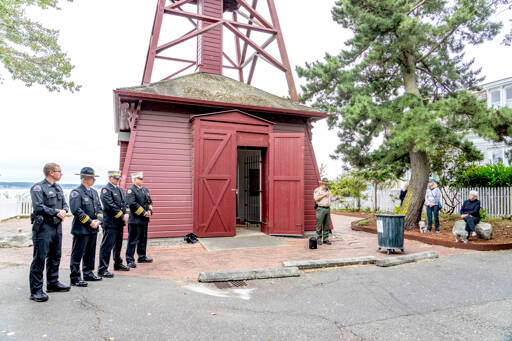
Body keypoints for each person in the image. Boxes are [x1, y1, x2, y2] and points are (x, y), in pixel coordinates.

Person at [28, 163, 70, 302]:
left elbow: (65, 204)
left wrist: (64, 210)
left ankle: (53, 283)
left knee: (55, 256)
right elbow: (39, 207)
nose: (61, 173)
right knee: (39, 258)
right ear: (51, 172)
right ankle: (36, 291)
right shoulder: (38, 188)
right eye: (59, 171)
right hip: (44, 227)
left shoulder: (58, 187)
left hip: (56, 227)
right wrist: (56, 212)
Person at [69, 167, 104, 287]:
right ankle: (75, 277)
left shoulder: (94, 192)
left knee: (90, 252)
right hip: (82, 228)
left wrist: (99, 220)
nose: (94, 180)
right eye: (92, 178)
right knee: (77, 254)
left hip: (93, 228)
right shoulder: (76, 192)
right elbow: (76, 210)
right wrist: (90, 222)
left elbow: (99, 208)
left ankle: (88, 273)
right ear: (85, 178)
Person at [98, 171, 130, 278]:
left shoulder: (119, 190)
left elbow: (125, 203)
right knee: (107, 246)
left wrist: (127, 213)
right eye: (115, 178)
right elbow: (109, 206)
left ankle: (118, 263)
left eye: (118, 178)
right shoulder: (106, 190)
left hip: (119, 223)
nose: (117, 180)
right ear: (110, 178)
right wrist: (122, 215)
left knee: (118, 245)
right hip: (110, 223)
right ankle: (102, 268)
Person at [125, 172, 154, 267]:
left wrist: (149, 210)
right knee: (132, 240)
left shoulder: (145, 190)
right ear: (134, 180)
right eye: (139, 178)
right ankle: (130, 260)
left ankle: (142, 256)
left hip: (144, 220)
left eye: (142, 178)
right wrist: (143, 213)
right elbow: (132, 204)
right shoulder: (131, 190)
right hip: (135, 220)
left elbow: (149, 201)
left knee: (143, 239)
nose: (142, 180)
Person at [314, 178, 333, 245]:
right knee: (319, 224)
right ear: (321, 184)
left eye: (327, 184)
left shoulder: (328, 191)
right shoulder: (317, 190)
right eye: (325, 184)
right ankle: (318, 238)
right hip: (320, 208)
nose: (327, 185)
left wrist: (335, 199)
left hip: (327, 208)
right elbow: (316, 199)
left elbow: (330, 199)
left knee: (326, 225)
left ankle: (325, 239)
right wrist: (324, 194)